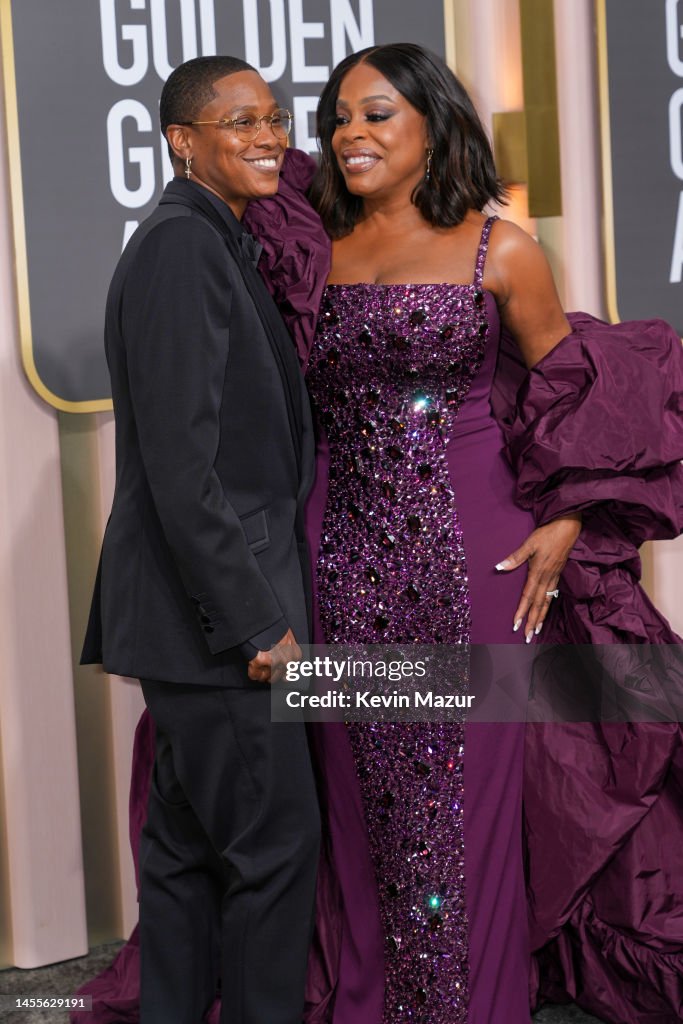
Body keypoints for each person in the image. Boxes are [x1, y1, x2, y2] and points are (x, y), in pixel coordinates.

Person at [77, 44, 683, 1024]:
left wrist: (566, 521)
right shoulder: (306, 243)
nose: (348, 134)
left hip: (474, 566)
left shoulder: (503, 248)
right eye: (340, 118)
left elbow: (577, 391)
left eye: (378, 115)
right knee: (352, 807)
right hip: (327, 572)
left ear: (434, 125)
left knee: (465, 800)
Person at [80, 56, 322, 1024]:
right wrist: (258, 622)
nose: (269, 135)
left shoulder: (213, 240)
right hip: (220, 627)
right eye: (239, 121)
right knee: (274, 851)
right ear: (182, 140)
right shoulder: (184, 247)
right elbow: (185, 472)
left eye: (272, 116)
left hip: (188, 624)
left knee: (183, 861)